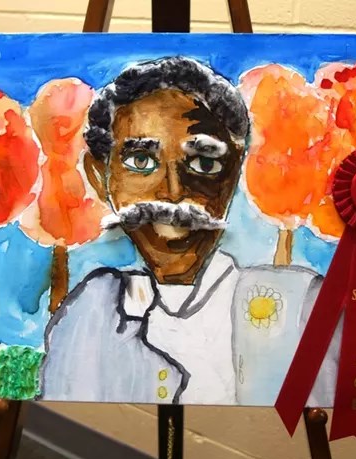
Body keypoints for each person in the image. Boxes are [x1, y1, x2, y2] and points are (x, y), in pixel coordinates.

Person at [40, 57, 340, 405]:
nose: (173, 192)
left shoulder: (300, 305)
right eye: (140, 162)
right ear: (100, 177)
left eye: (204, 163)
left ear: (231, 177)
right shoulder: (91, 311)